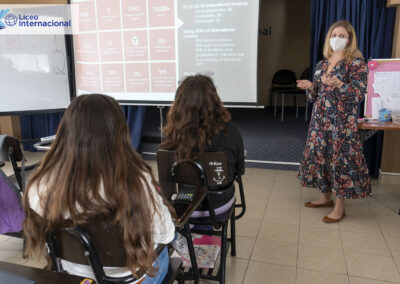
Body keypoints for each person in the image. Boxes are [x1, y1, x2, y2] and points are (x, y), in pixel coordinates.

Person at [23, 94, 175, 283]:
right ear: (119, 132)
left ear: (66, 131)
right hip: (130, 278)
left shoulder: (40, 182)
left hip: (74, 276)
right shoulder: (135, 181)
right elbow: (165, 234)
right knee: (169, 245)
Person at [296, 20, 371, 223]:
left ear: (349, 40)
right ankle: (325, 197)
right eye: (333, 35)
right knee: (321, 157)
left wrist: (339, 84)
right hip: (320, 121)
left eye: (341, 36)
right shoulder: (322, 64)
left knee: (340, 161)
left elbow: (358, 94)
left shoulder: (355, 63)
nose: (336, 39)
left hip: (342, 123)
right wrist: (310, 86)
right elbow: (316, 96)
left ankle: (339, 207)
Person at [159, 74, 245, 216]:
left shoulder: (171, 137)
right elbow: (239, 171)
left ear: (179, 104)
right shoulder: (231, 132)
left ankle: (189, 233)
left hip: (182, 209)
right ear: (215, 101)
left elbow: (166, 180)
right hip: (219, 208)